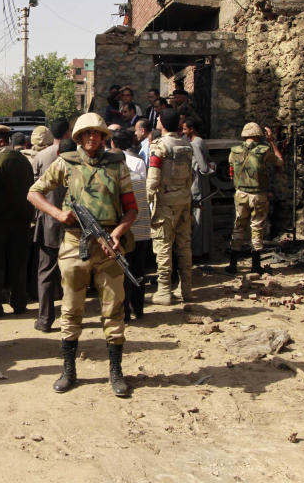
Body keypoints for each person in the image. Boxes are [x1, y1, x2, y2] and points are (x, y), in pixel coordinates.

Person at [27, 112, 137, 397]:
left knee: (114, 310)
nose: (92, 138)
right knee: (71, 310)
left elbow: (131, 207)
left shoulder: (117, 165)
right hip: (75, 245)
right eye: (86, 133)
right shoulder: (66, 162)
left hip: (109, 246)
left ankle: (115, 371)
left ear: (103, 137)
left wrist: (117, 232)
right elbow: (34, 193)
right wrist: (58, 214)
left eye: (97, 133)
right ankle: (68, 370)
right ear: (78, 137)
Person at [0, 125, 35, 317]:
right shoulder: (23, 160)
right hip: (21, 221)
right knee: (18, 264)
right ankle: (19, 303)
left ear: (1, 141)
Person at [146, 109, 195, 305]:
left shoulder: (159, 147)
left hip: (165, 203)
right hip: (183, 200)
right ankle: (187, 290)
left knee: (163, 245)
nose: (156, 120)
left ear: (163, 124)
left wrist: (147, 201)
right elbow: (191, 175)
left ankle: (164, 290)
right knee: (184, 245)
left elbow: (153, 179)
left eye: (158, 118)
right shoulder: (186, 145)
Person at [228, 122, 283, 273]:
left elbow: (231, 172)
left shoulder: (235, 151)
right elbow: (280, 161)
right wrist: (272, 141)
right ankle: (256, 265)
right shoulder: (264, 151)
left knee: (238, 226)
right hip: (259, 195)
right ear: (259, 135)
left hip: (240, 194)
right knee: (257, 227)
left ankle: (233, 265)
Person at [32, 118, 69, 332]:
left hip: (47, 220)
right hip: (73, 222)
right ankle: (71, 316)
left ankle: (45, 319)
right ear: (67, 133)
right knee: (72, 270)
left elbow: (33, 189)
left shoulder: (41, 156)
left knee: (45, 271)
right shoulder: (77, 157)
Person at [110, 130, 150, 320]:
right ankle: (139, 309)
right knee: (139, 272)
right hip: (142, 233)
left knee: (124, 273)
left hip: (127, 234)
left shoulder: (118, 181)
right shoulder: (139, 177)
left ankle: (125, 311)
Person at [182, 117, 213, 263]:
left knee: (198, 219)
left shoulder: (195, 143)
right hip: (200, 183)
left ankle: (198, 252)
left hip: (197, 184)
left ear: (191, 129)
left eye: (185, 129)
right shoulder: (199, 142)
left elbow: (203, 167)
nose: (183, 132)